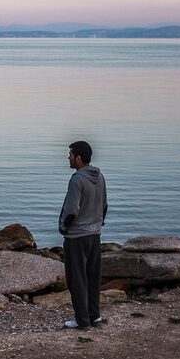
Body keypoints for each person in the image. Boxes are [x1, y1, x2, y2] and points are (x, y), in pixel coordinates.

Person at [59, 140, 107, 330]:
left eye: (70, 155)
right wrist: (98, 223)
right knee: (93, 277)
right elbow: (104, 205)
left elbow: (71, 209)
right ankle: (94, 316)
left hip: (77, 236)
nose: (68, 158)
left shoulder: (77, 179)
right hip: (94, 235)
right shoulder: (100, 176)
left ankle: (82, 320)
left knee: (77, 279)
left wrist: (64, 228)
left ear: (78, 158)